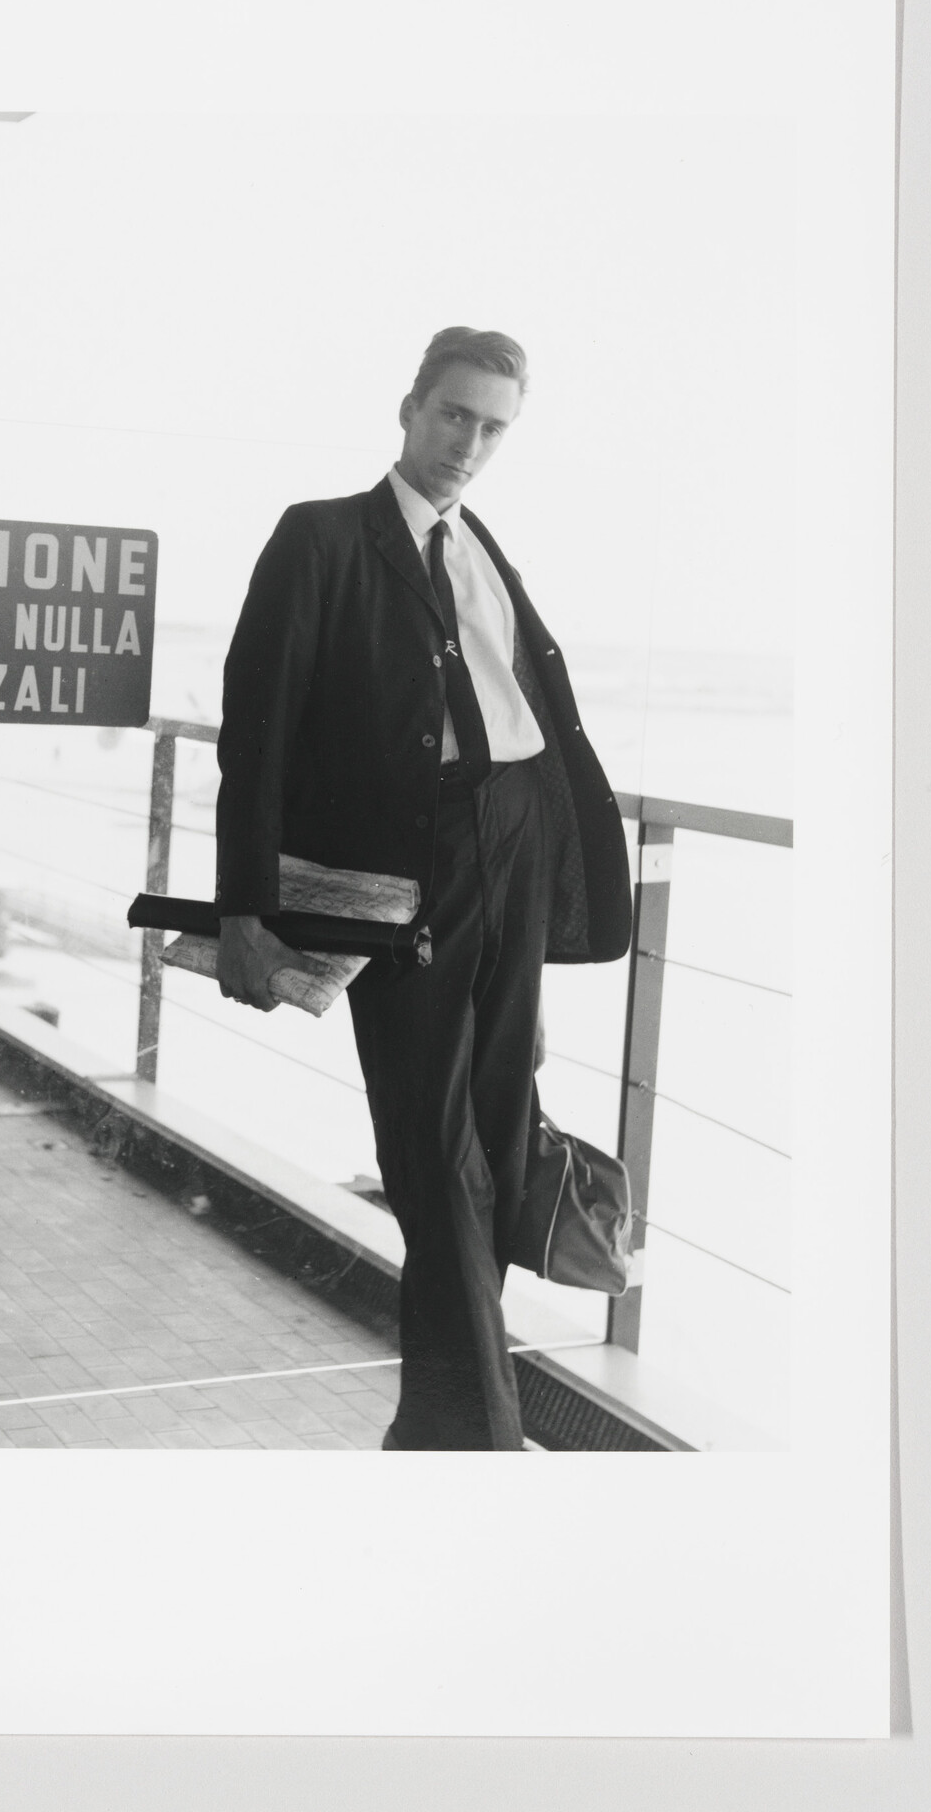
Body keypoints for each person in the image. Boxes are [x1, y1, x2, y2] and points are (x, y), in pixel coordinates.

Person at [214, 326, 632, 1450]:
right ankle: (478, 1433)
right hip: (408, 865)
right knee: (426, 1137)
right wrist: (242, 908)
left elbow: (528, 715)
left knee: (495, 1135)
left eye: (492, 427)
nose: (468, 443)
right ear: (408, 408)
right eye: (454, 415)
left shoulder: (486, 549)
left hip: (515, 848)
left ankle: (442, 1419)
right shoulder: (322, 538)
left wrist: (545, 880)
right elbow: (254, 733)